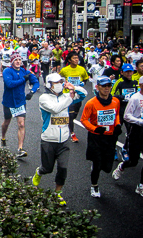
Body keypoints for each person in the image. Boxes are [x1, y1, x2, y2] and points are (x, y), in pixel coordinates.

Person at [34, 73, 87, 206]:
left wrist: (72, 87)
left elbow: (84, 94)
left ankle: (58, 193)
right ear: (48, 84)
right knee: (48, 168)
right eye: (55, 82)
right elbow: (56, 109)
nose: (58, 85)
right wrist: (70, 96)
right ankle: (39, 172)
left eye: (60, 82)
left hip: (64, 139)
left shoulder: (65, 96)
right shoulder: (44, 98)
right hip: (48, 139)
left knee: (63, 168)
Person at [81, 75, 122, 198]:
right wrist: (95, 129)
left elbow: (117, 115)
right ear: (98, 87)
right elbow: (84, 120)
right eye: (104, 86)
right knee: (97, 165)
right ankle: (94, 186)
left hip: (110, 137)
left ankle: (97, 166)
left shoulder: (115, 101)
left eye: (109, 86)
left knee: (108, 168)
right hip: (96, 137)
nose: (107, 88)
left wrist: (118, 125)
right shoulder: (91, 103)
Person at [1, 52, 39, 157]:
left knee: (21, 124)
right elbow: (10, 84)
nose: (18, 62)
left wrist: (32, 92)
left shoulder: (24, 71)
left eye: (19, 60)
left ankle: (20, 148)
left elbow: (36, 82)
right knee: (6, 122)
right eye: (15, 60)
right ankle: (3, 137)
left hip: (20, 101)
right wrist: (23, 79)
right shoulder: (7, 71)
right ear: (12, 61)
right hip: (9, 101)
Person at [112, 75, 143, 197]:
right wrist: (140, 122)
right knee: (134, 161)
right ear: (140, 85)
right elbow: (126, 116)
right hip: (136, 131)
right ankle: (122, 167)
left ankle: (140, 186)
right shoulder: (135, 98)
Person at [60, 51, 90, 143]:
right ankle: (72, 133)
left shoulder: (81, 69)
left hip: (78, 95)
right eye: (74, 58)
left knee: (74, 115)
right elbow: (59, 80)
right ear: (69, 60)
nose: (76, 60)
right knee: (71, 115)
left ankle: (67, 125)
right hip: (68, 95)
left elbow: (86, 79)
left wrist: (82, 84)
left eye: (77, 58)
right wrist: (64, 85)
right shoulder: (64, 70)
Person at [111, 63, 138, 161]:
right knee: (116, 131)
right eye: (126, 72)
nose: (129, 74)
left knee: (131, 132)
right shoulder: (119, 82)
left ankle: (125, 149)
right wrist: (123, 97)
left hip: (131, 112)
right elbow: (112, 94)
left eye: (130, 71)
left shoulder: (135, 82)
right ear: (122, 72)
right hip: (120, 111)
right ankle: (113, 149)